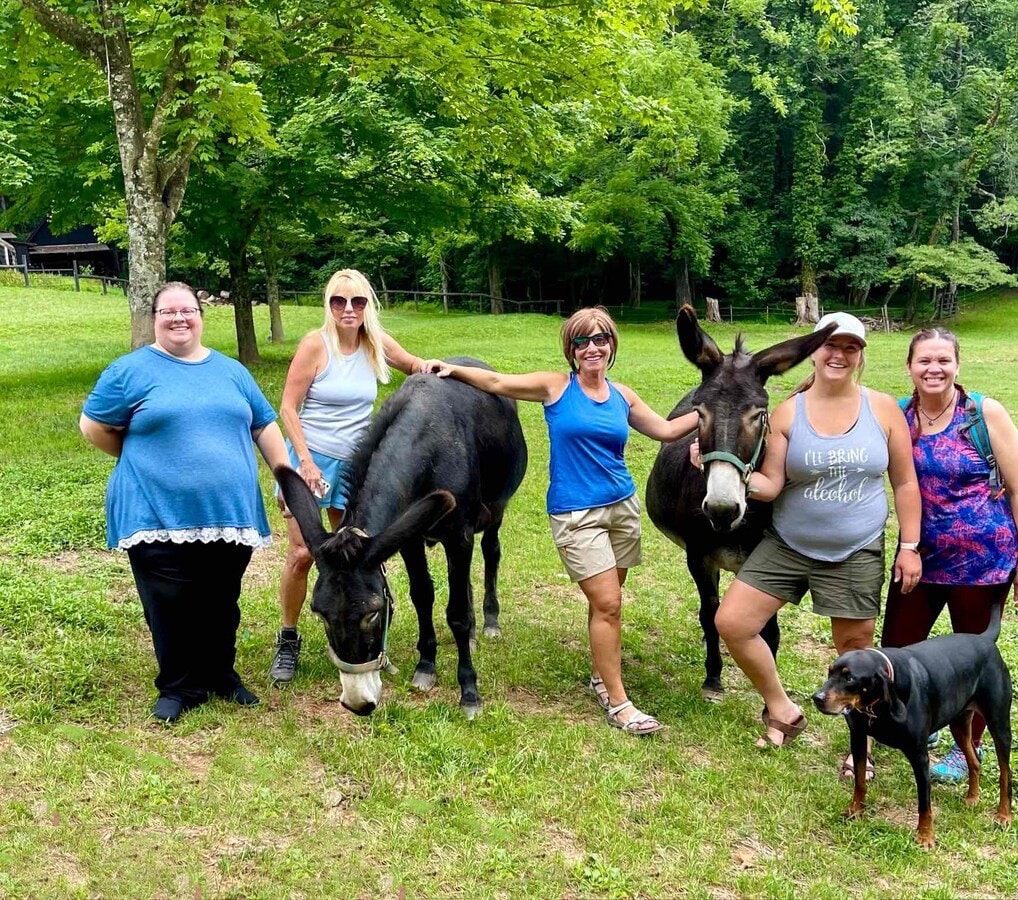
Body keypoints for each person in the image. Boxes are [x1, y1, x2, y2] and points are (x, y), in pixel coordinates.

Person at [421, 307, 698, 736]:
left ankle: (600, 675)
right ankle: (619, 702)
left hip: (621, 508)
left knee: (605, 602)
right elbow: (496, 382)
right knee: (608, 604)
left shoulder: (623, 395)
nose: (592, 348)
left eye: (600, 338)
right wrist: (451, 369)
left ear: (612, 344)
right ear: (570, 350)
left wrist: (710, 410)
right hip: (576, 513)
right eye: (581, 341)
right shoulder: (556, 387)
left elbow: (664, 430)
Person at [713, 312, 922, 775]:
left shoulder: (883, 409)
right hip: (788, 544)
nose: (839, 355)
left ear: (861, 355)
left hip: (855, 548)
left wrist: (910, 545)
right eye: (830, 346)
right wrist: (727, 475)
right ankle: (782, 710)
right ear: (814, 352)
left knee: (857, 657)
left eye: (850, 347)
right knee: (733, 622)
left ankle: (859, 748)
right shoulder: (789, 411)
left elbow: (905, 483)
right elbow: (771, 483)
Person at [80, 282, 291, 723]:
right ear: (153, 317)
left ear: (200, 315)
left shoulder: (231, 371)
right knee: (169, 600)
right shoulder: (129, 371)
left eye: (188, 310)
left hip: (228, 513)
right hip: (154, 510)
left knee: (221, 598)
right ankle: (178, 687)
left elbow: (264, 426)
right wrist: (139, 455)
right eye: (168, 312)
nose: (179, 319)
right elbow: (94, 427)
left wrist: (285, 478)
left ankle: (220, 675)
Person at [880, 326, 1018, 783]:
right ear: (909, 366)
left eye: (943, 360)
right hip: (918, 555)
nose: (934, 369)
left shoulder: (983, 414)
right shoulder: (898, 415)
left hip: (983, 560)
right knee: (898, 647)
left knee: (972, 660)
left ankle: (965, 748)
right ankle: (915, 722)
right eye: (924, 361)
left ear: (957, 365)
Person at [270, 269, 425, 683]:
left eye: (357, 302)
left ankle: (369, 631)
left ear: (368, 306)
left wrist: (447, 372)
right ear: (329, 305)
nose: (348, 309)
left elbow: (414, 365)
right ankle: (288, 638)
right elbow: (288, 407)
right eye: (339, 301)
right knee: (304, 554)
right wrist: (304, 461)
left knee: (357, 557)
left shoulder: (374, 342)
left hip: (356, 471)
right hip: (312, 460)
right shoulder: (315, 346)